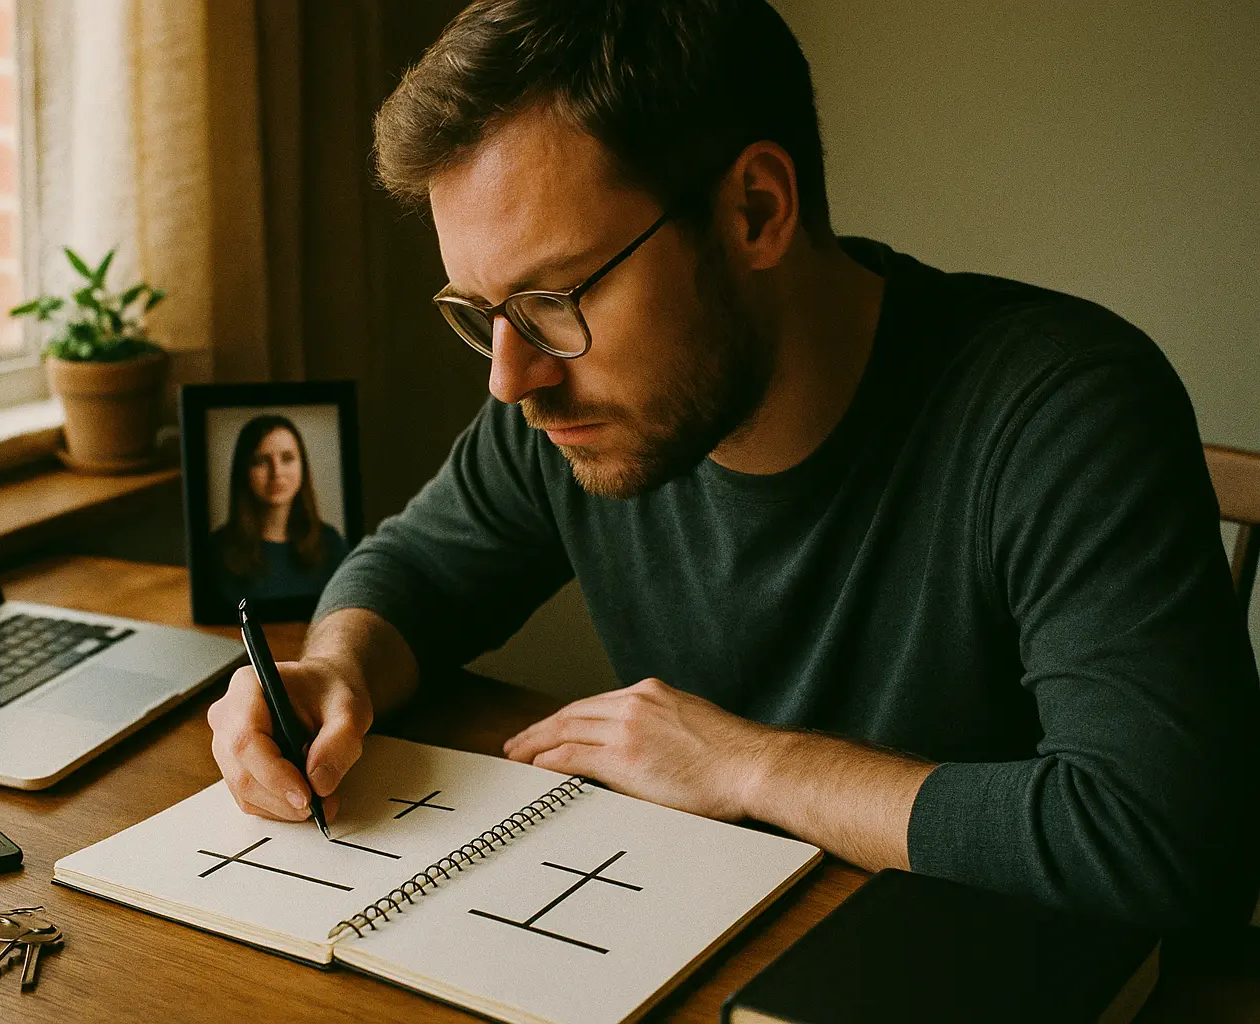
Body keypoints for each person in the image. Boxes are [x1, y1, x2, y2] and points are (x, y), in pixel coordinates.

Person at [208, 0, 1260, 928]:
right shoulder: (565, 403)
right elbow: (413, 574)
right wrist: (335, 670)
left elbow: (1168, 844)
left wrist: (749, 762)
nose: (510, 376)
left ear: (755, 209)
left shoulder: (1061, 408)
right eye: (482, 313)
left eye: (554, 297)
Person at [211, 414, 349, 608]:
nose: (277, 472)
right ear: (244, 470)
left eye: (287, 458)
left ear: (303, 466)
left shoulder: (331, 544)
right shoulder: (216, 550)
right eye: (261, 461)